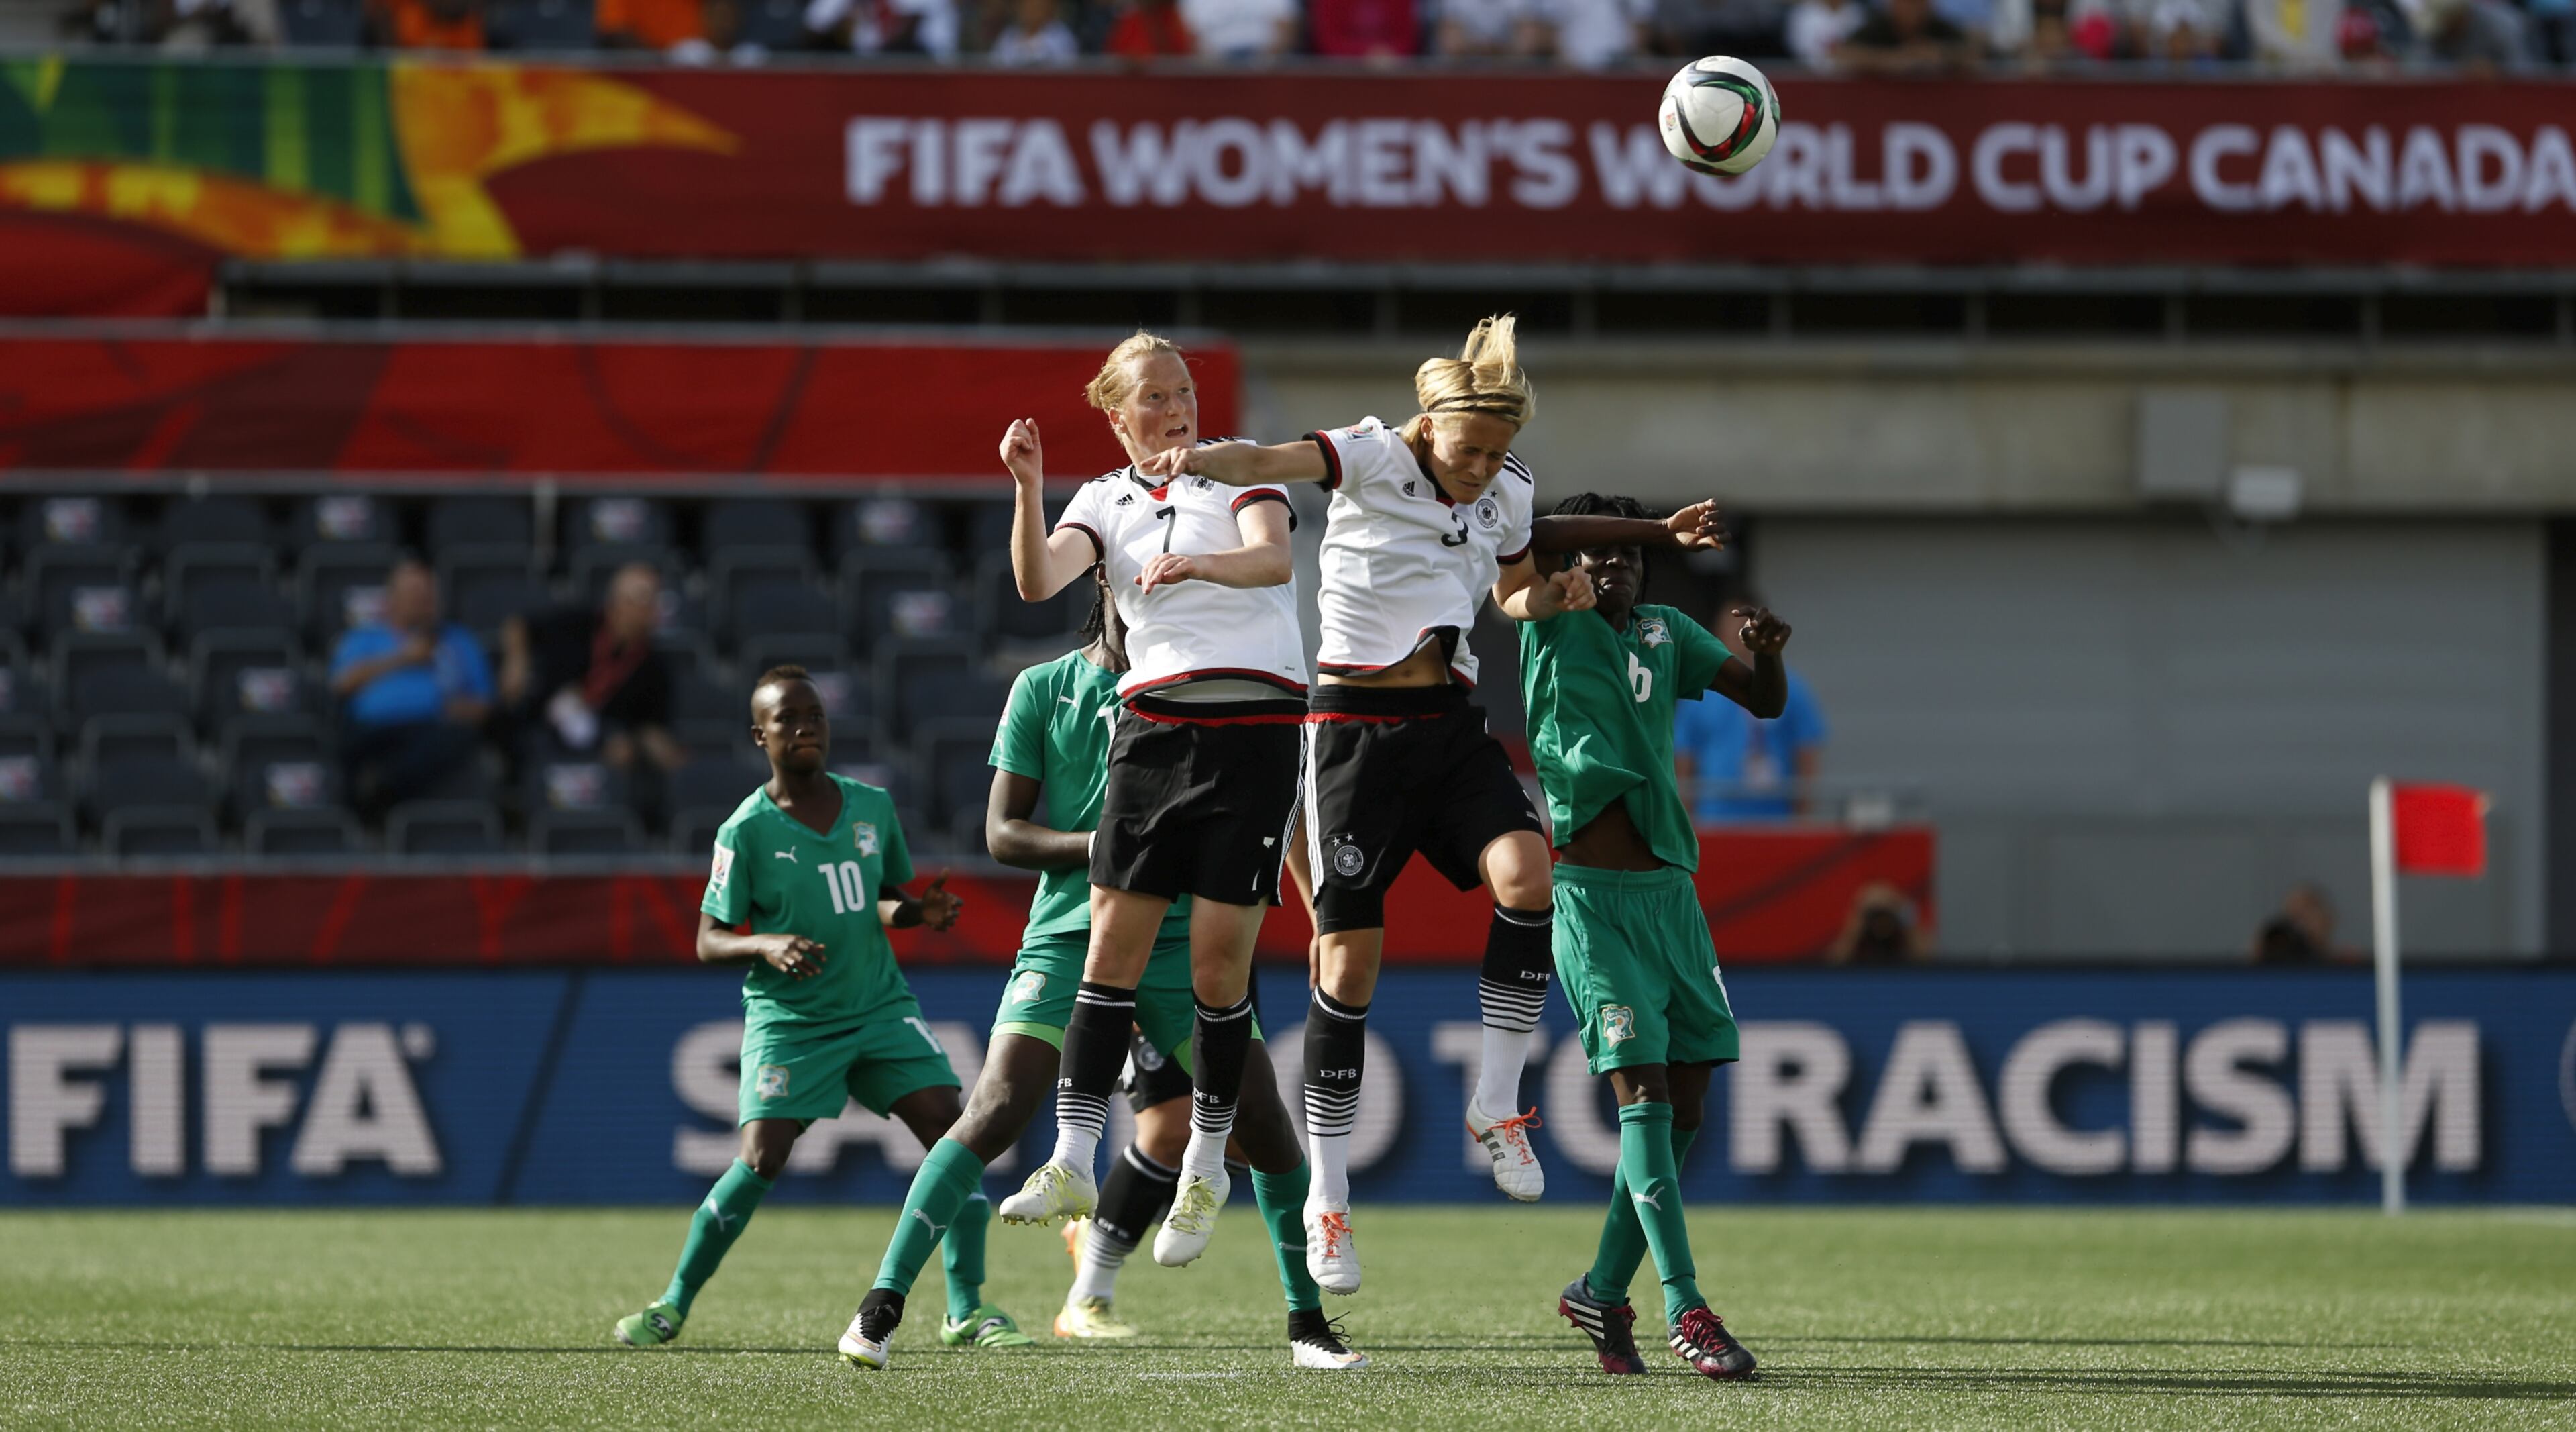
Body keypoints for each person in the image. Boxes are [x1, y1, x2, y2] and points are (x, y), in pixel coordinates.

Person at [1136, 317, 1722, 1297]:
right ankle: (1330, 1195)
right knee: (1348, 964)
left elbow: (1514, 596)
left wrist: (1563, 594)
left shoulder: (1508, 488)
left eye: (1497, 454)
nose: (1484, 470)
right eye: (1470, 451)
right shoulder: (1370, 453)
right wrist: (1199, 455)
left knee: (1529, 876)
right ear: (1428, 426)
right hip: (1352, 729)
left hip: (1448, 720)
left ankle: (1497, 1103)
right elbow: (1273, 457)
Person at [842, 559, 1349, 1371]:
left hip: (1184, 940)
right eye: (1145, 586)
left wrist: (1319, 906)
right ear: (1110, 591)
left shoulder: (1209, 696)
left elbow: (1272, 802)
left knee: (1260, 1116)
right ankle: (880, 1307)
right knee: (999, 1104)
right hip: (1073, 929)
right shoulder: (1044, 688)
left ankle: (1308, 1324)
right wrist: (1116, 849)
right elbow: (1004, 833)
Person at [980, 335, 1344, 1342]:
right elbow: (1036, 580)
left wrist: (1203, 565)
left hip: (1257, 730)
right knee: (1110, 945)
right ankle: (1069, 1157)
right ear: (1118, 411)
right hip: (1154, 727)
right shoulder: (1099, 498)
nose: (1177, 406)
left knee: (1223, 971)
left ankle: (1204, 1168)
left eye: (1183, 390)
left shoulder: (1237, 462)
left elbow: (1275, 558)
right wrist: (1029, 486)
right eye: (1156, 395)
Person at [614, 667, 991, 1352]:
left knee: (956, 1134)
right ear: (760, 735)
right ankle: (672, 1303)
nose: (805, 727)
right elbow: (708, 938)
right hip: (793, 1019)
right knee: (761, 1156)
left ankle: (966, 1310)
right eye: (787, 719)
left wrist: (916, 912)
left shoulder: (873, 806)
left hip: (878, 1006)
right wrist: (767, 942)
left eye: (813, 715)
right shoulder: (746, 830)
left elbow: (873, 899)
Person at [1518, 493, 1781, 1382]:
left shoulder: (1669, 630)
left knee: (1689, 1107)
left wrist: (1768, 657)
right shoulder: (1548, 612)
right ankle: (1687, 1307)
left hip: (1673, 895)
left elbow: (1765, 704)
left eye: (1632, 556)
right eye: (1601, 552)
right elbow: (1537, 540)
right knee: (1644, 1095)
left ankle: (1599, 1287)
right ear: (1575, 563)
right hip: (1592, 901)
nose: (1618, 567)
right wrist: (1644, 529)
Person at [329, 560, 494, 819]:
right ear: (393, 599)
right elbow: (343, 684)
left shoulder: (458, 641)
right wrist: (405, 658)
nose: (423, 601)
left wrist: (449, 706)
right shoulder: (366, 637)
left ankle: (383, 789)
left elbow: (483, 705)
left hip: (434, 728)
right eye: (414, 594)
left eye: (428, 594)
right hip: (373, 729)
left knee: (459, 736)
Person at [496, 564, 684, 774]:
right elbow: (518, 625)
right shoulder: (579, 623)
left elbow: (650, 724)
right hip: (541, 722)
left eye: (655, 601)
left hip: (602, 745)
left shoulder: (654, 665)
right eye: (644, 600)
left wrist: (648, 747)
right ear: (618, 602)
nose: (652, 610)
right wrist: (516, 662)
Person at [1672, 592, 1825, 823]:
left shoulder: (1792, 688)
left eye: (1742, 630)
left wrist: (1801, 821)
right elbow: (1683, 760)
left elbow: (1806, 755)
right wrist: (1686, 823)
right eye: (1728, 629)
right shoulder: (1700, 689)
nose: (1736, 637)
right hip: (1714, 821)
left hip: (1776, 823)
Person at [1835, 0, 1975, 70]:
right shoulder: (1878, 28)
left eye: (1918, 3)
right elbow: (1841, 54)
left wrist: (1940, 54)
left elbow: (1973, 53)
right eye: (1908, 3)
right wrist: (1893, 59)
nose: (1913, 10)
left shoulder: (1940, 28)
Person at [2252, 882, 2347, 964]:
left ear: (2327, 919)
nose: (2299, 926)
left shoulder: (2344, 964)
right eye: (2293, 916)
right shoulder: (2271, 968)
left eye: (2305, 916)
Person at [989, 0, 1082, 61]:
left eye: (1036, 6)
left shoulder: (1062, 37)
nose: (1031, 11)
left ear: (1048, 8)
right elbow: (995, 67)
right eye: (1026, 6)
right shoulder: (1007, 36)